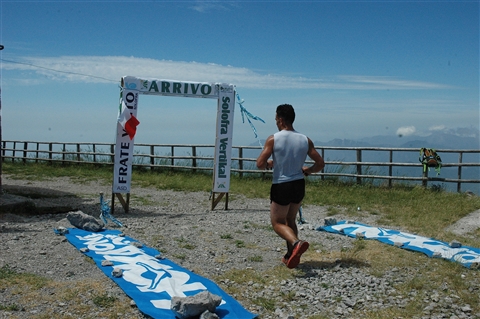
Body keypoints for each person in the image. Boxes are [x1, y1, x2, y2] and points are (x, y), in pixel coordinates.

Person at [256, 104, 325, 269]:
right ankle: (290, 255)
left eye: (275, 119)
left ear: (280, 119)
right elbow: (320, 163)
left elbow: (259, 164)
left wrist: (268, 165)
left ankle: (295, 243)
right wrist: (308, 171)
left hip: (282, 184)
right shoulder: (305, 139)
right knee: (290, 219)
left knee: (277, 222)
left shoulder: (273, 139)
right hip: (299, 184)